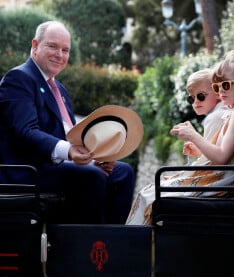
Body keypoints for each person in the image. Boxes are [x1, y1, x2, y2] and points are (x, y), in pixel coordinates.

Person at [0, 20, 136, 224]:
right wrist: (71, 152)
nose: (60, 55)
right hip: (29, 171)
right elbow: (26, 132)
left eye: (65, 50)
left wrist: (94, 158)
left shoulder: (60, 90)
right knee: (91, 176)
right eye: (53, 46)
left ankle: (112, 243)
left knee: (122, 172)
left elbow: (72, 137)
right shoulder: (19, 78)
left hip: (58, 168)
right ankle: (89, 247)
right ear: (35, 45)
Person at [126, 67, 226, 225]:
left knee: (148, 193)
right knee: (151, 190)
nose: (195, 103)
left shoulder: (216, 117)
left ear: (218, 93)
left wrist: (193, 136)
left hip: (214, 181)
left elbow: (218, 161)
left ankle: (137, 242)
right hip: (216, 177)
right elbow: (217, 155)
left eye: (200, 96)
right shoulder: (220, 115)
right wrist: (200, 151)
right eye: (191, 98)